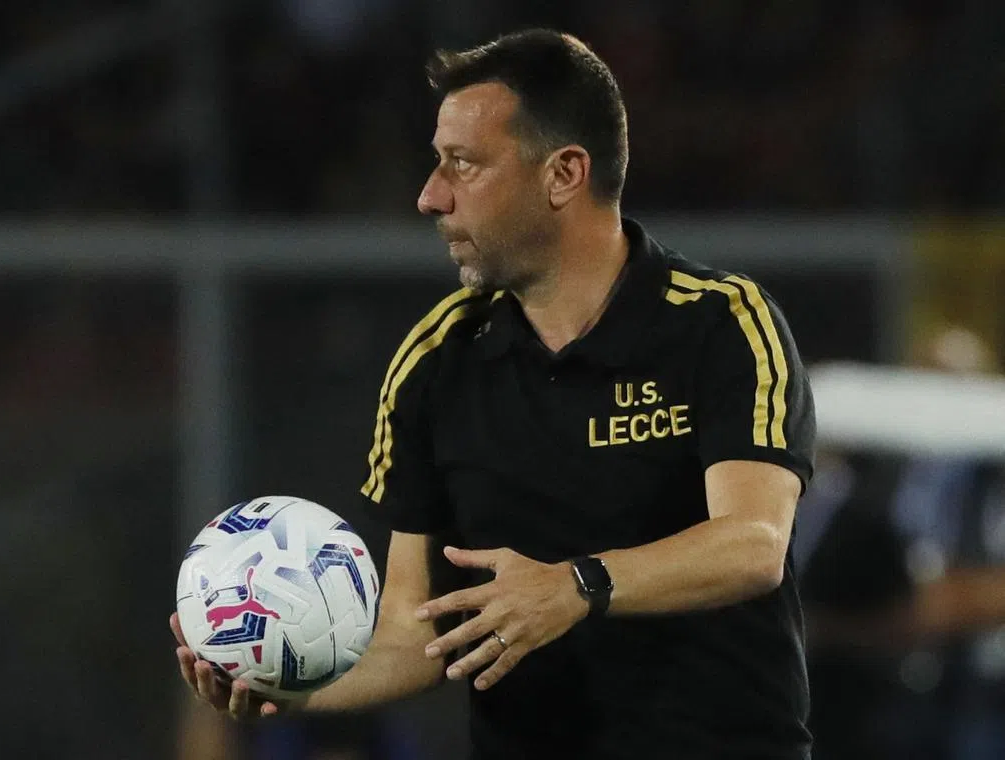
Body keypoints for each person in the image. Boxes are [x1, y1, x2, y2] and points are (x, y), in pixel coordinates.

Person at [172, 28, 816, 759]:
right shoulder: (435, 363)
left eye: (464, 164)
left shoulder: (723, 323)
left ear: (564, 174)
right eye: (435, 164)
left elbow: (753, 545)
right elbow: (412, 633)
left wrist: (578, 586)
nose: (429, 196)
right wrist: (285, 692)